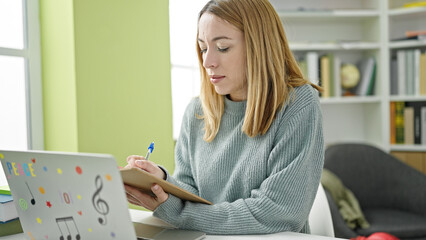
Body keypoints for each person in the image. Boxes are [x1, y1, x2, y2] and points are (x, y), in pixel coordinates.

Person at [124, 0, 324, 235]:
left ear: (259, 46)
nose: (208, 62)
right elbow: (193, 195)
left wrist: (176, 212)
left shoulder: (298, 103)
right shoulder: (197, 111)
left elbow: (278, 212)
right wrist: (162, 183)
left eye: (223, 47)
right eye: (203, 48)